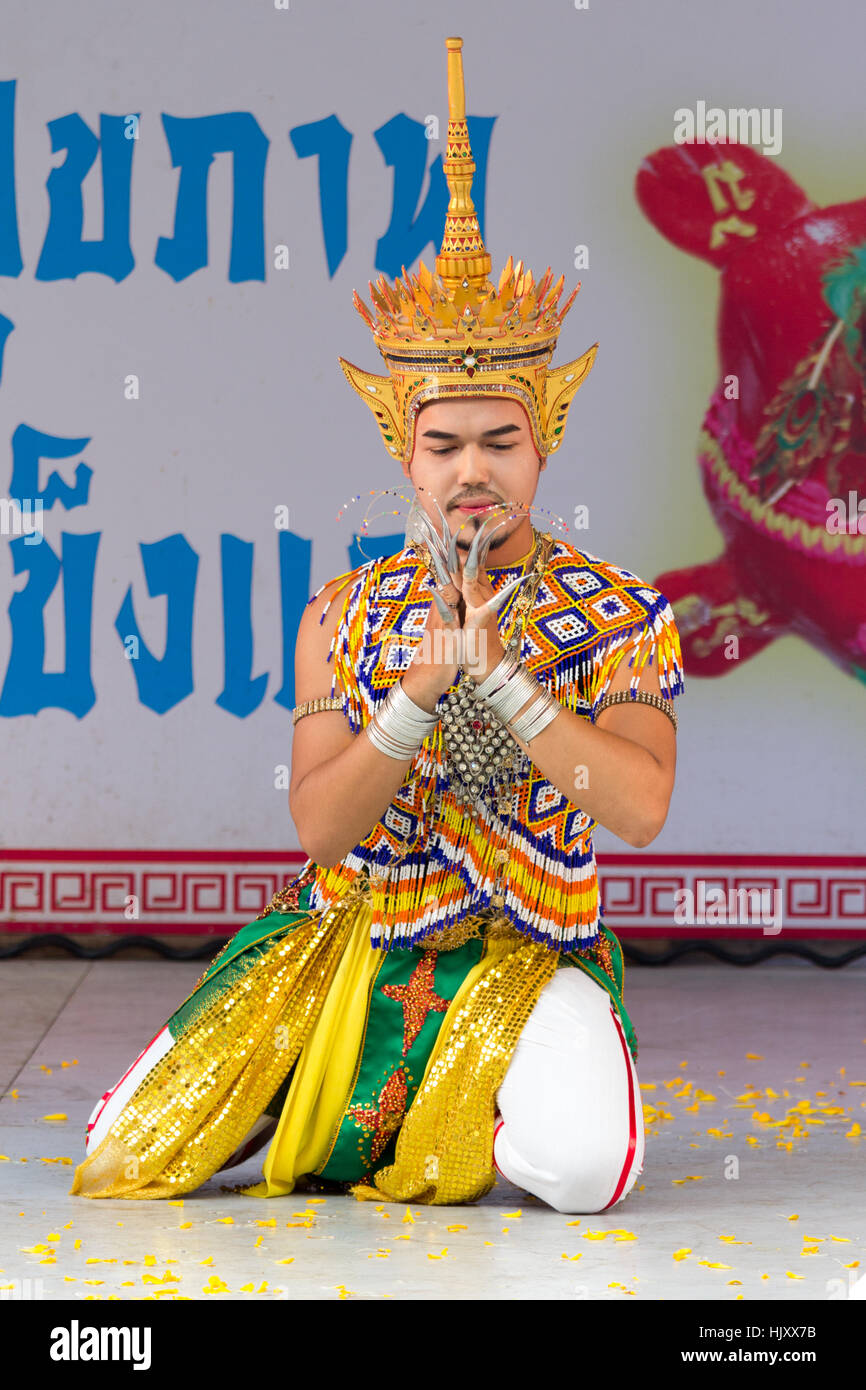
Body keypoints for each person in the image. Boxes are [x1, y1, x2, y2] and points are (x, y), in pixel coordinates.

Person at [71, 36, 684, 1213]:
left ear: (544, 438)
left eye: (499, 441)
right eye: (441, 444)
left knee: (579, 1171)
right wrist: (415, 694)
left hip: (523, 957)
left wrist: (505, 681)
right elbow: (319, 828)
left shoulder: (619, 613)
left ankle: (476, 1090)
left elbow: (640, 809)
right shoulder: (343, 614)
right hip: (350, 948)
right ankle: (332, 1087)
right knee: (125, 1148)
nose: (471, 472)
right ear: (403, 448)